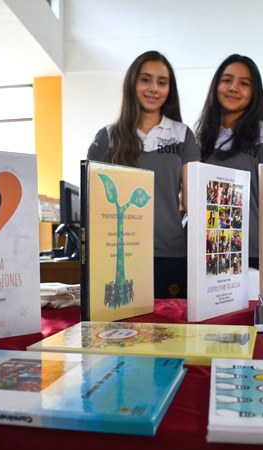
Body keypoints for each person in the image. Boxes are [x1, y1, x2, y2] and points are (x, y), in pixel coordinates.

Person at [87, 50, 200, 298]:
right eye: (145, 79)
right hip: (119, 254)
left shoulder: (182, 135)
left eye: (162, 82)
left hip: (170, 252)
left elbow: (192, 202)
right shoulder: (107, 137)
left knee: (170, 332)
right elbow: (93, 204)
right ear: (132, 83)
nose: (154, 89)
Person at [195, 54, 263, 268]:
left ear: (254, 93)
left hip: (256, 251)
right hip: (208, 250)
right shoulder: (200, 137)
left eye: (244, 83)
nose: (234, 88)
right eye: (227, 80)